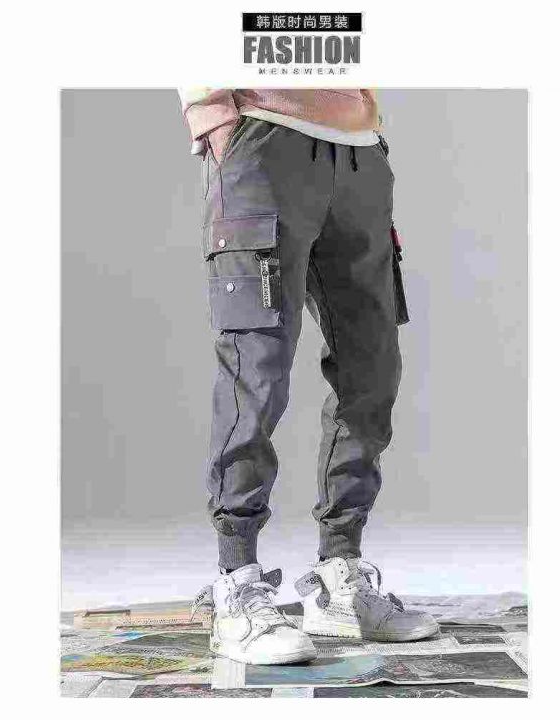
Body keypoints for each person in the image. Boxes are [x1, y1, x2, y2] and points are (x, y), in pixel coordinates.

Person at [181, 89, 437, 665]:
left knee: (372, 371)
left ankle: (339, 577)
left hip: (359, 153)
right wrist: (215, 119)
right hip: (263, 138)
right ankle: (237, 582)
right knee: (257, 373)